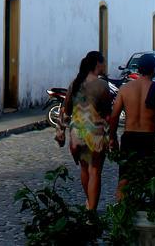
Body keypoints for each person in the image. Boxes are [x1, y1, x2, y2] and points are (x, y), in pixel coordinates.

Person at [55, 50, 114, 211]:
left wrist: (60, 131)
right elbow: (107, 114)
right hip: (94, 133)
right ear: (97, 64)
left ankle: (89, 202)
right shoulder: (102, 85)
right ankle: (92, 211)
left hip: (77, 133)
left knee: (84, 169)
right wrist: (111, 137)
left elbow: (65, 110)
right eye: (103, 62)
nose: (105, 65)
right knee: (95, 170)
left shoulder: (75, 83)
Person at [111, 52, 155, 196]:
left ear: (138, 69)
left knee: (125, 179)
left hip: (130, 138)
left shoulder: (125, 89)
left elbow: (114, 116)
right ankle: (151, 210)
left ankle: (121, 213)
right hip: (149, 139)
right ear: (154, 70)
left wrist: (112, 138)